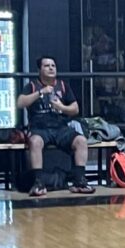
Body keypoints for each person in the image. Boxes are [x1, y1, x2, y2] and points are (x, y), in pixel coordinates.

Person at [17, 57, 96, 197]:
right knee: (35, 142)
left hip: (60, 128)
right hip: (39, 128)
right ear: (39, 70)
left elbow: (75, 109)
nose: (51, 68)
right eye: (47, 65)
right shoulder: (32, 86)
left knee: (81, 141)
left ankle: (79, 181)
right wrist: (40, 93)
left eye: (53, 65)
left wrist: (61, 107)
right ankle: (38, 183)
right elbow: (20, 102)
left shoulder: (63, 85)